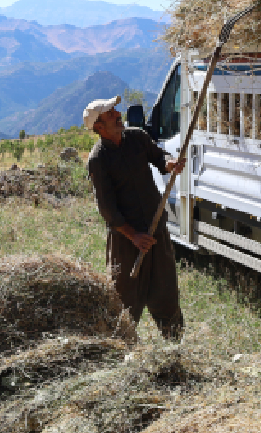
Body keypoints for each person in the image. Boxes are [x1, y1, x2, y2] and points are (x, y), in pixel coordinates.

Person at [84, 95, 185, 340]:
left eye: (115, 110)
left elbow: (158, 157)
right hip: (126, 240)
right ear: (99, 127)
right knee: (124, 296)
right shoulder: (99, 160)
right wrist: (134, 235)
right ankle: (121, 348)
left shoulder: (137, 137)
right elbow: (107, 209)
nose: (118, 114)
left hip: (155, 230)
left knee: (166, 291)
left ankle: (174, 344)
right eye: (110, 114)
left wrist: (169, 164)